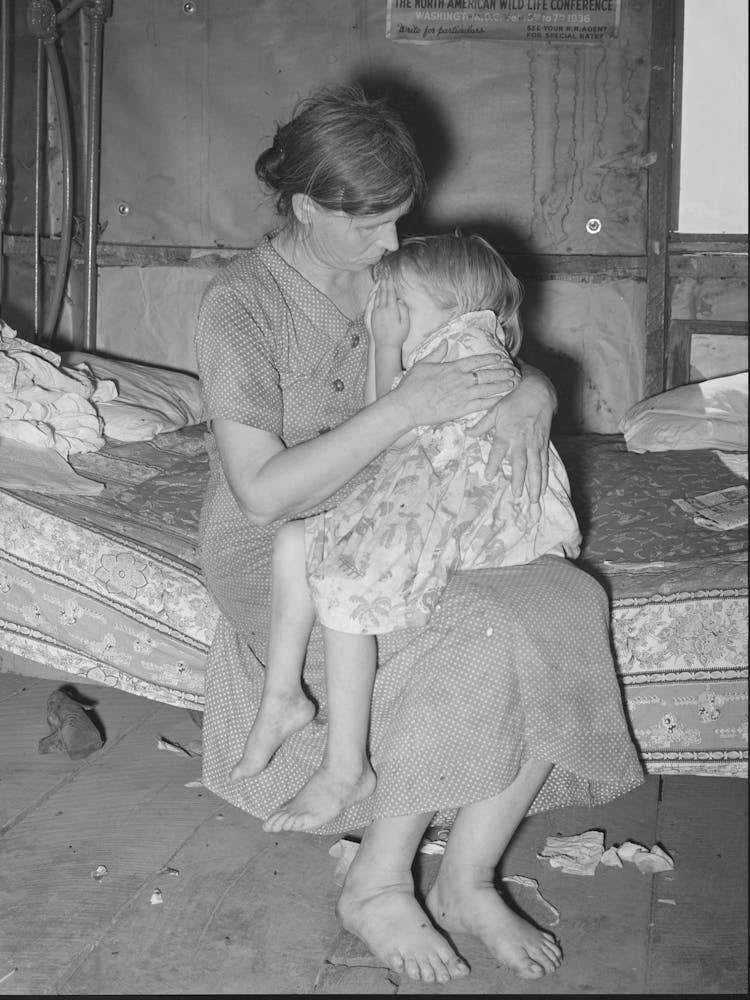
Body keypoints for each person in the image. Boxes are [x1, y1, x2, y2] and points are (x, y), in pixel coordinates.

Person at [195, 83, 644, 985]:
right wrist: (403, 408)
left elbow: (492, 343)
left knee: (565, 600)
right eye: (368, 226)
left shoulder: (397, 271)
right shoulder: (240, 308)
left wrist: (532, 391)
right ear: (306, 207)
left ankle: (469, 879)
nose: (389, 246)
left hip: (423, 514)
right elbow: (261, 495)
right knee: (474, 631)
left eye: (399, 220)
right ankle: (378, 883)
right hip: (290, 542)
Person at [228, 233, 583, 837]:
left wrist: (531, 386)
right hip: (431, 497)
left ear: (453, 305)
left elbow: (403, 433)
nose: (380, 312)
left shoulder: (465, 347)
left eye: (396, 303)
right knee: (293, 542)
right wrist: (387, 341)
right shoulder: (250, 301)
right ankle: (282, 696)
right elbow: (386, 414)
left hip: (477, 520)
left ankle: (347, 767)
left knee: (346, 585)